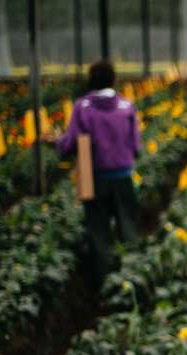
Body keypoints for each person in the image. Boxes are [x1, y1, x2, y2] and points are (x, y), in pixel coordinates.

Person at [44, 60, 141, 288]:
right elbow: (136, 146)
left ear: (91, 80)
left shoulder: (83, 106)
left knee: (98, 229)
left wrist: (54, 142)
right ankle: (132, 275)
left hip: (95, 177)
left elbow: (70, 143)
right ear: (113, 80)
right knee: (127, 224)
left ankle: (105, 282)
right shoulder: (127, 107)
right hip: (123, 176)